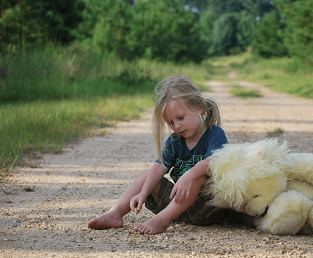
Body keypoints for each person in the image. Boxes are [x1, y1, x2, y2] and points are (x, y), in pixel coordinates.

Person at [87, 75, 238, 235]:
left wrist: (189, 175)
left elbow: (214, 161)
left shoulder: (214, 133)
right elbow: (160, 166)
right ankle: (115, 213)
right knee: (147, 175)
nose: (177, 126)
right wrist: (143, 193)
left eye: (180, 118)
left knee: (198, 176)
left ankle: (162, 220)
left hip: (207, 209)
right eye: (171, 123)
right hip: (178, 208)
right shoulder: (175, 140)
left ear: (198, 107)